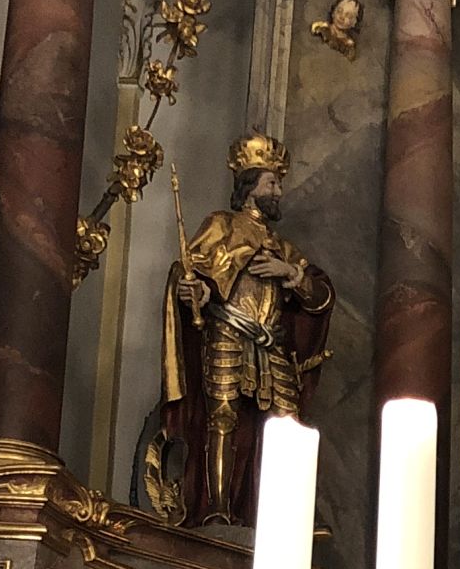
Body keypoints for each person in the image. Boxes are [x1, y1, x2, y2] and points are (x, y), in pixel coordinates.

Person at [138, 135, 332, 528]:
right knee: (223, 418)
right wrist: (196, 289)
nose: (278, 190)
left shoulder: (283, 247)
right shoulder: (220, 225)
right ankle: (218, 509)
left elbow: (321, 297)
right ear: (249, 186)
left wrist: (290, 274)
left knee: (287, 425)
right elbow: (195, 273)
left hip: (271, 344)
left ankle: (284, 518)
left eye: (277, 183)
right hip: (228, 334)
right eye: (271, 182)